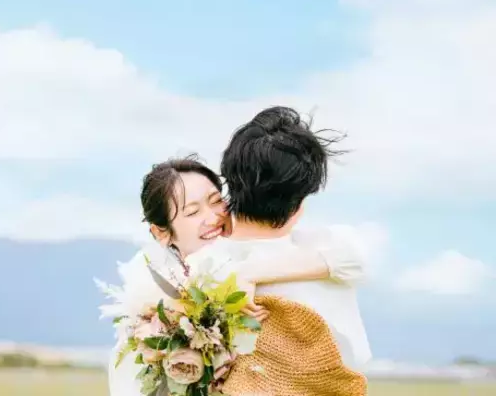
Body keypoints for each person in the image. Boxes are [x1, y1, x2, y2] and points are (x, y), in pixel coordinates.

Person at [98, 154, 366, 396]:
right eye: (193, 212)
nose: (213, 217)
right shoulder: (154, 303)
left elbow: (351, 257)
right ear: (161, 232)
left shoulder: (251, 251)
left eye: (216, 201)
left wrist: (249, 273)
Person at [188, 106, 371, 395]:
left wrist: (248, 272)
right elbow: (356, 258)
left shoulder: (201, 266)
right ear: (299, 202)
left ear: (230, 185)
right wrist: (249, 273)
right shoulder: (329, 246)